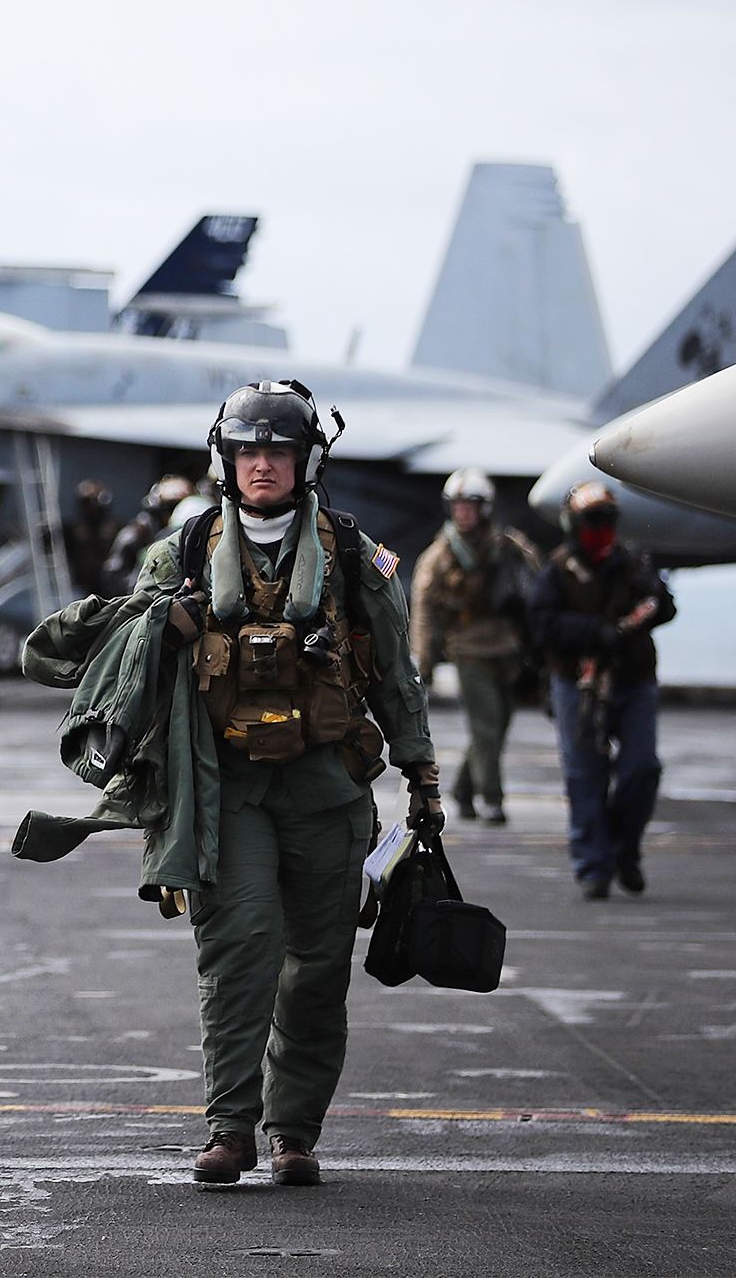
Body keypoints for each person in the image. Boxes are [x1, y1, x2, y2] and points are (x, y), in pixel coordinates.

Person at [130, 380, 439, 1187]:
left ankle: (293, 1132)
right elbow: (124, 667)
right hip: (228, 791)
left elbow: (397, 672)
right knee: (240, 954)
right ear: (224, 457)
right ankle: (230, 1129)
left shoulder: (349, 550)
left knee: (317, 966)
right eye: (248, 449)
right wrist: (170, 625)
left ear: (305, 459)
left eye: (277, 449)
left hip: (326, 787)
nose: (262, 463)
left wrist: (423, 777)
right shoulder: (182, 552)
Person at [526, 481, 675, 901]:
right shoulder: (556, 571)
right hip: (577, 684)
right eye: (592, 521)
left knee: (642, 768)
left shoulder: (631, 564)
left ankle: (624, 849)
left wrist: (654, 606)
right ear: (574, 524)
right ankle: (594, 865)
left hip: (633, 681)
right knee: (584, 774)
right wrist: (596, 633)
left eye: (607, 520)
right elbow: (542, 625)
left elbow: (663, 604)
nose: (601, 529)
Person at [409, 468, 542, 824]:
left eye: (470, 505)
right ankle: (492, 800)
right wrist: (423, 663)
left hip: (507, 649)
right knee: (485, 726)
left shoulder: (508, 547)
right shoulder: (440, 557)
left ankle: (464, 791)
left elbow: (536, 584)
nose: (463, 513)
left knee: (498, 726)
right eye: (458, 506)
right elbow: (423, 611)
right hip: (467, 650)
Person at [101, 474, 195, 594]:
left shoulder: (177, 535)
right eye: (173, 508)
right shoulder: (136, 534)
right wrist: (145, 585)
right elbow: (113, 576)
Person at [62, 480, 120, 597]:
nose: (90, 507)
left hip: (108, 585)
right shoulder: (73, 529)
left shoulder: (114, 528)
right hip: (81, 586)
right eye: (86, 503)